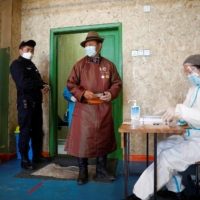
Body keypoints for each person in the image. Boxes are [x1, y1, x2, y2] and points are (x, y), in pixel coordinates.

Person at [127, 54, 200, 200]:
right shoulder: (193, 89)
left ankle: (139, 195)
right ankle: (176, 190)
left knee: (167, 157)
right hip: (190, 137)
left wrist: (178, 110)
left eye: (191, 71)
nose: (189, 75)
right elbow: (184, 115)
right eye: (187, 72)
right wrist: (172, 117)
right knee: (160, 146)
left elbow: (189, 113)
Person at [64, 31, 122, 185]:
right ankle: (82, 172)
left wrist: (111, 93)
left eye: (92, 45)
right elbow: (70, 84)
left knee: (103, 140)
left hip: (103, 108)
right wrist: (83, 93)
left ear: (99, 45)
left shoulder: (109, 65)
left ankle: (101, 171)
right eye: (87, 45)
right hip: (84, 109)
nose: (89, 47)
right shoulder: (79, 65)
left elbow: (117, 83)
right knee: (82, 141)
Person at [10, 40, 50, 170]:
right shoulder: (16, 65)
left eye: (32, 50)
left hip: (36, 103)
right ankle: (25, 159)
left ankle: (37, 156)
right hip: (25, 104)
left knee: (37, 131)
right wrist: (39, 86)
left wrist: (45, 86)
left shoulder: (32, 65)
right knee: (25, 131)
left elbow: (38, 81)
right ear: (20, 51)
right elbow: (24, 83)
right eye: (27, 50)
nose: (30, 52)